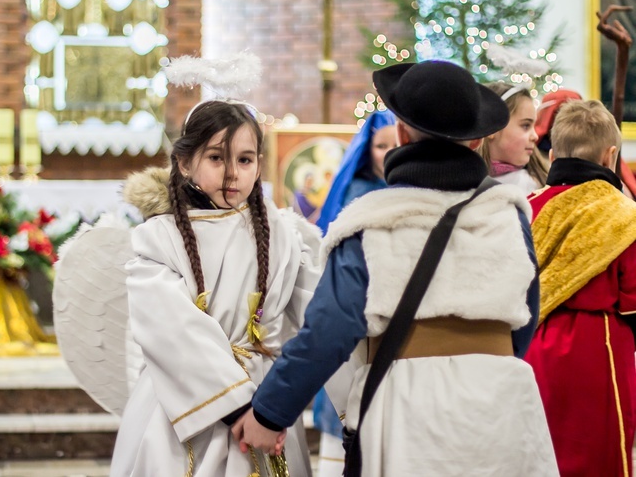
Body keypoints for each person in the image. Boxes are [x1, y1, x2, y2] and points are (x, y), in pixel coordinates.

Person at [232, 60, 558, 476]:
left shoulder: (368, 222)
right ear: (478, 142)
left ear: (402, 134)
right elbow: (525, 318)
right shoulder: (510, 215)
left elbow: (329, 330)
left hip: (410, 403)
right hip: (505, 402)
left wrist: (269, 414)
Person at [109, 100, 321, 477]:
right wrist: (241, 409)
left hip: (268, 404)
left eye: (245, 160)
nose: (232, 174)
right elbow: (171, 329)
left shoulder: (284, 234)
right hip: (184, 407)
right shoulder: (159, 239)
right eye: (216, 158)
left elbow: (320, 315)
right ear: (185, 162)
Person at [524, 99, 636, 477]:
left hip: (529, 342)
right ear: (610, 156)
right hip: (598, 347)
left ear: (553, 154)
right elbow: (632, 300)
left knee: (537, 448)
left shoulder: (526, 207)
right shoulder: (623, 215)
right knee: (597, 451)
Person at [310, 109, 397, 477]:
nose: (390, 153)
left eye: (396, 144)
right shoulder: (358, 195)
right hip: (358, 325)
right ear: (367, 152)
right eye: (381, 146)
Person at [477, 82, 549, 194]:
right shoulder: (461, 181)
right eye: (525, 126)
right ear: (493, 128)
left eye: (533, 126)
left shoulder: (532, 187)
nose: (535, 136)